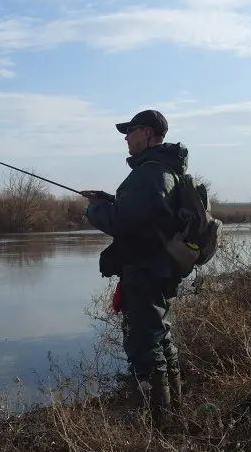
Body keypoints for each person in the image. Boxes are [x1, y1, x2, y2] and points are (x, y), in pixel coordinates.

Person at [80, 109, 188, 428]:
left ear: (146, 133)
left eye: (130, 131)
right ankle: (173, 413)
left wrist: (95, 209)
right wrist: (109, 199)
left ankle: (157, 423)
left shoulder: (150, 173)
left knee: (144, 345)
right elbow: (145, 214)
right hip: (159, 270)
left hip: (146, 272)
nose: (126, 138)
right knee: (159, 338)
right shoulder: (163, 170)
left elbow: (123, 223)